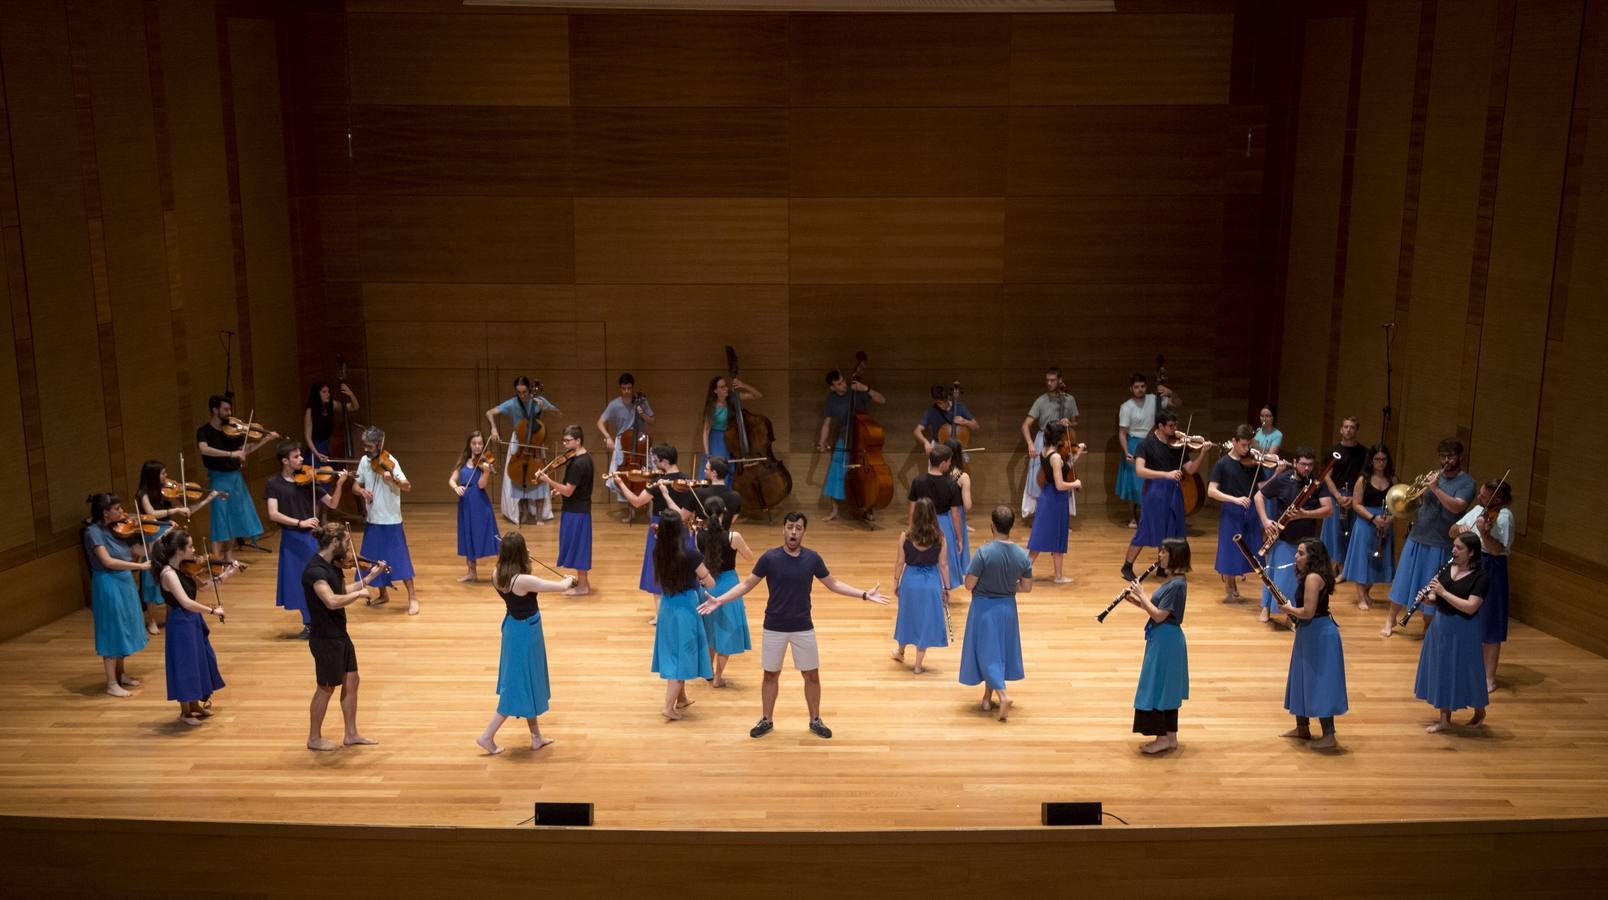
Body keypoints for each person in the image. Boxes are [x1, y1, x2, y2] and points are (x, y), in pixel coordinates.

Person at [699, 512, 890, 739]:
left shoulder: (812, 559)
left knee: (812, 675)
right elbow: (747, 584)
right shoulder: (769, 558)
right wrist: (720, 600)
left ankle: (815, 720)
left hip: (803, 627)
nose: (793, 532)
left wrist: (865, 594)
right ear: (783, 529)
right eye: (790, 527)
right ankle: (766, 719)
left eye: (798, 528)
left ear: (803, 532)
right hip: (774, 627)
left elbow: (834, 584)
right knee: (770, 675)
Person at [476, 532, 575, 755]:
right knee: (516, 686)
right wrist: (570, 579)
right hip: (527, 632)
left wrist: (523, 561)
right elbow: (559, 587)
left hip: (513, 628)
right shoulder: (523, 580)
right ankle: (487, 736)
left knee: (527, 681)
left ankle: (536, 736)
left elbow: (520, 575)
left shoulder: (496, 574)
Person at [303, 522, 386, 751]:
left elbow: (342, 591)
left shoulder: (332, 566)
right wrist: (360, 594)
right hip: (325, 638)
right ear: (335, 542)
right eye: (347, 542)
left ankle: (351, 734)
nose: (350, 547)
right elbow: (331, 601)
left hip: (340, 634)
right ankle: (314, 738)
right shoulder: (315, 571)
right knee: (326, 687)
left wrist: (369, 578)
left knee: (352, 681)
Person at [1384, 438, 1476, 637]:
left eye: (1450, 456)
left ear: (1460, 457)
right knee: (1403, 580)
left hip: (1441, 542)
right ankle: (1390, 620)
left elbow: (1456, 506)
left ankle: (1428, 629)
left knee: (1431, 586)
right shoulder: (1435, 475)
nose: (1446, 460)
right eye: (1442, 456)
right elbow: (1417, 502)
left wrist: (1435, 488)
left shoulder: (1467, 482)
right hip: (1418, 536)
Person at [266, 442, 350, 636]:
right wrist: (299, 522)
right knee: (296, 580)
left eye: (300, 456)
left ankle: (317, 620)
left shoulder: (311, 481)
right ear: (285, 461)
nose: (302, 459)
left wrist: (339, 484)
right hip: (291, 538)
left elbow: (333, 503)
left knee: (316, 578)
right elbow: (273, 514)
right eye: (296, 457)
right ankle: (309, 622)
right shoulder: (273, 484)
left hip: (311, 538)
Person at [959, 506, 1034, 722]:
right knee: (997, 653)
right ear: (1011, 526)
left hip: (984, 609)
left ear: (992, 526)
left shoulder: (983, 553)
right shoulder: (1022, 555)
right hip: (1008, 609)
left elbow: (968, 584)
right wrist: (1008, 588)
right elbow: (1027, 587)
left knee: (986, 653)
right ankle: (986, 698)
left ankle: (1002, 695)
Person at [150, 528, 231, 725]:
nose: (194, 550)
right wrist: (212, 611)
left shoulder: (183, 568)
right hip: (181, 624)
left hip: (192, 621)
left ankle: (194, 705)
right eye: (190, 546)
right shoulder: (168, 574)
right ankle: (185, 712)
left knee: (198, 661)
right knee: (186, 665)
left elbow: (202, 586)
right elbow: (185, 602)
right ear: (179, 550)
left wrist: (225, 575)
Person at [1413, 532, 1490, 732]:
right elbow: (1435, 598)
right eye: (1453, 546)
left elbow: (1471, 607)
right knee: (1443, 671)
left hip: (1464, 629)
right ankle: (1445, 720)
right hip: (1441, 627)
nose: (1454, 551)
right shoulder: (1447, 568)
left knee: (1468, 670)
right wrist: (1427, 598)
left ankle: (1479, 711)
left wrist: (1443, 593)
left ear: (1472, 552)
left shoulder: (1481, 577)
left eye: (1459, 548)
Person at [1121, 411, 1211, 580]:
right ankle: (1127, 566)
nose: (1174, 429)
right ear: (1160, 426)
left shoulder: (1177, 446)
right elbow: (1140, 470)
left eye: (1175, 425)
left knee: (1170, 529)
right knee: (1147, 529)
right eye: (1170, 426)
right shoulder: (1146, 444)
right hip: (1154, 491)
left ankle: (1163, 566)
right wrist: (1166, 474)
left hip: (1173, 492)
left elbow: (1190, 469)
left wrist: (1202, 454)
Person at [1278, 539, 1348, 751]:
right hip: (1309, 633)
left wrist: (1289, 609)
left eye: (1300, 553)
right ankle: (1302, 728)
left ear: (1312, 557)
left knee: (1321, 682)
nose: (1295, 556)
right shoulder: (1309, 576)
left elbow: (1308, 612)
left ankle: (1329, 736)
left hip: (1319, 635)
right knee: (1301, 676)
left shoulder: (1312, 578)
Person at [134, 460, 218, 633]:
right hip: (152, 532)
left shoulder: (169, 492)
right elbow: (151, 513)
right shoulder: (143, 493)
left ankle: (169, 613)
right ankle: (151, 621)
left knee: (173, 574)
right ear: (153, 475)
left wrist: (208, 499)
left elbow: (187, 510)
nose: (166, 476)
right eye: (163, 473)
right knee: (151, 581)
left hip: (169, 533)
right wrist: (174, 512)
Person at [1125, 537, 1191, 754]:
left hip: (1166, 641)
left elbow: (1160, 615)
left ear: (1175, 556)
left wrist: (1142, 594)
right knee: (1165, 687)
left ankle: (1162, 738)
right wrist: (1136, 600)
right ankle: (1170, 737)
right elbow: (1157, 609)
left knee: (1158, 686)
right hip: (1165, 638)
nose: (1160, 556)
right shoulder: (1174, 582)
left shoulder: (1177, 584)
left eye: (1164, 552)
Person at [607, 443, 698, 601]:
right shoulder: (687, 480)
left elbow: (636, 502)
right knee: (680, 565)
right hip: (681, 525)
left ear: (665, 461)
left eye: (656, 460)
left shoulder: (658, 482)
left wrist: (620, 483)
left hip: (660, 526)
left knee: (658, 565)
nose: (654, 464)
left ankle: (659, 615)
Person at [195, 394, 279, 564]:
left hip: (235, 477)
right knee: (220, 516)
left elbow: (245, 450)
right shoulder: (204, 431)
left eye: (229, 409)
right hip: (218, 478)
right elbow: (204, 449)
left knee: (234, 516)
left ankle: (229, 557)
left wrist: (264, 440)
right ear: (215, 410)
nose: (229, 412)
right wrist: (230, 454)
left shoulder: (233, 431)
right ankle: (217, 558)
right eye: (225, 409)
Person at [1254, 449, 1333, 625]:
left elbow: (1328, 510)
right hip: (1283, 537)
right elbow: (1258, 496)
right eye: (1303, 464)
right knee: (1274, 573)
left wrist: (1305, 514)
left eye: (1310, 465)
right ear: (1295, 462)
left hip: (1306, 541)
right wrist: (1266, 521)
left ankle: (1293, 615)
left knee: (1299, 580)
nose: (1307, 468)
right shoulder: (1283, 479)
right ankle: (1266, 607)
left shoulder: (1317, 483)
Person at [82, 493, 151, 697]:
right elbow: (108, 562)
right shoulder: (93, 532)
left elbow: (137, 549)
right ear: (105, 512)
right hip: (107, 583)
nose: (123, 512)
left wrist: (154, 533)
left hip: (124, 582)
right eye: (118, 509)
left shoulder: (119, 529)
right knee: (112, 628)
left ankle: (120, 675)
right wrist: (138, 566)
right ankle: (111, 683)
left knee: (124, 626)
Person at [650, 513, 717, 719]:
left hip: (667, 605)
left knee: (674, 651)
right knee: (680, 658)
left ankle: (682, 699)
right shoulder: (690, 555)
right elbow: (710, 582)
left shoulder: (658, 552)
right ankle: (668, 708)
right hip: (686, 609)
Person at [1453, 480, 1513, 693]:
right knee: (1470, 618)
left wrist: (1484, 532)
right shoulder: (1479, 509)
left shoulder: (1504, 517)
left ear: (1497, 499)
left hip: (1492, 567)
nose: (1479, 498)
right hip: (1473, 565)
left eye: (1484, 496)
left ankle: (1489, 677)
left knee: (1490, 621)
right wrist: (1458, 529)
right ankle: (1469, 668)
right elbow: (1453, 531)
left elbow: (1496, 550)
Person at [354, 426, 419, 614]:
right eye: (364, 445)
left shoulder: (391, 462)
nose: (365, 449)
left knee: (401, 559)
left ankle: (412, 598)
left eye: (368, 445)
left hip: (391, 520)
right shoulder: (364, 462)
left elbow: (407, 486)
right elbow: (355, 486)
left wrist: (393, 481)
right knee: (373, 560)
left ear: (378, 443)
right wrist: (362, 491)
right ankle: (383, 594)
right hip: (373, 519)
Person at [486, 375, 560, 524]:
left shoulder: (538, 400)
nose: (522, 395)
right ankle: (524, 511)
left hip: (536, 442)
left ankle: (539, 514)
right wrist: (493, 428)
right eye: (519, 392)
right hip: (518, 443)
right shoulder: (512, 403)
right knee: (518, 478)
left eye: (525, 392)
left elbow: (558, 413)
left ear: (529, 389)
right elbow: (489, 412)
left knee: (539, 478)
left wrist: (545, 407)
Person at [698, 496, 755, 687]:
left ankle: (708, 671)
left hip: (707, 584)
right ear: (724, 512)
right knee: (725, 631)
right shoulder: (733, 537)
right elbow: (750, 557)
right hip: (729, 585)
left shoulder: (699, 535)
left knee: (709, 630)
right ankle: (718, 677)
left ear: (705, 513)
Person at [817, 368, 885, 522]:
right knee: (836, 472)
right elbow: (827, 423)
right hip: (844, 437)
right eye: (838, 384)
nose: (843, 385)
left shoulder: (856, 389)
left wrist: (866, 389)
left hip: (862, 438)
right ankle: (835, 511)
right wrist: (822, 442)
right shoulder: (831, 399)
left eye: (842, 381)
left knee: (865, 473)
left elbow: (882, 400)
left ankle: (868, 508)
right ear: (832, 387)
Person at [891, 497, 950, 674]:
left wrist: (895, 581)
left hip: (910, 581)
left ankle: (901, 652)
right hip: (930, 582)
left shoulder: (905, 536)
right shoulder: (940, 537)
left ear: (915, 515)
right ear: (933, 515)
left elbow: (900, 562)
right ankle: (917, 665)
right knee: (925, 621)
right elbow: (943, 564)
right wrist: (946, 588)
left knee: (907, 616)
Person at [1115, 373, 1178, 528]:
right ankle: (1132, 517)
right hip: (1133, 442)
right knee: (1133, 483)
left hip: (1152, 441)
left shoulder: (1153, 399)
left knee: (1147, 482)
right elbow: (1122, 433)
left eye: (1142, 386)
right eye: (1136, 387)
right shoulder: (1126, 406)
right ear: (1131, 389)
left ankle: (1146, 516)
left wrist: (1170, 392)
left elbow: (1177, 403)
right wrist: (1126, 451)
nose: (1140, 389)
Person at [538, 425, 595, 595]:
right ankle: (583, 582)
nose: (564, 444)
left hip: (576, 511)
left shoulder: (579, 463)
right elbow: (573, 488)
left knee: (578, 547)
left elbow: (569, 491)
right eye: (564, 440)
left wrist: (549, 481)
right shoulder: (585, 458)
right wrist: (559, 489)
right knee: (577, 545)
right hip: (577, 508)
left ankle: (583, 587)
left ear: (578, 441)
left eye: (568, 440)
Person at [1025, 420, 1083, 584]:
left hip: (1049, 497)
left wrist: (1077, 454)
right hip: (1055, 499)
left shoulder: (1045, 450)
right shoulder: (1056, 456)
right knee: (1044, 538)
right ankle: (1027, 573)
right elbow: (1060, 484)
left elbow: (1065, 468)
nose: (1066, 439)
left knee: (1045, 538)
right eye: (1064, 436)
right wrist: (1075, 484)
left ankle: (1058, 576)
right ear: (1059, 437)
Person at [1341, 444, 1397, 609]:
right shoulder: (1363, 480)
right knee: (1362, 559)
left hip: (1385, 523)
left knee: (1378, 559)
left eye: (1384, 459)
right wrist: (1373, 518)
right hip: (1366, 522)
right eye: (1377, 459)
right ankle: (1360, 597)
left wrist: (1389, 520)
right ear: (1371, 461)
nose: (1381, 463)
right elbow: (1357, 505)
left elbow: (1398, 504)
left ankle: (1366, 591)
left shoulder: (1393, 480)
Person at [1207, 426, 1259, 602]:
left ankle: (1233, 579)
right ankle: (1230, 582)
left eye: (1249, 445)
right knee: (1230, 549)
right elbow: (1211, 491)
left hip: (1250, 509)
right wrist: (1234, 499)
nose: (1247, 449)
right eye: (1243, 445)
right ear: (1235, 441)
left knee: (1247, 548)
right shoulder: (1222, 463)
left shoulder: (1253, 463)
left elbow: (1263, 488)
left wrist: (1278, 473)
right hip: (1231, 509)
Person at [1020, 367, 1078, 519]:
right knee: (1041, 477)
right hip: (1044, 440)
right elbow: (1025, 425)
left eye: (1053, 380)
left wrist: (1069, 423)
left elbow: (1075, 422)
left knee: (1063, 474)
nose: (1049, 383)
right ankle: (1041, 515)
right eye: (1047, 380)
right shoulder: (1041, 400)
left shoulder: (1069, 400)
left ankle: (1060, 515)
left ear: (1060, 380)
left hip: (1063, 440)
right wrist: (1030, 444)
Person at [907, 443, 967, 590]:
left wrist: (910, 529)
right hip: (944, 524)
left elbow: (912, 509)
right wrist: (960, 538)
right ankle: (944, 588)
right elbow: (955, 515)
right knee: (944, 559)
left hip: (921, 523)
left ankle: (927, 586)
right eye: (949, 461)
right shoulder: (951, 485)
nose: (950, 464)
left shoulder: (917, 482)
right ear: (942, 463)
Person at [596, 373, 654, 516]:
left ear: (632, 387)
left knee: (649, 473)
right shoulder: (614, 404)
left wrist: (642, 414)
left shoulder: (641, 401)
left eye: (629, 388)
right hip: (623, 442)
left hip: (640, 442)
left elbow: (652, 420)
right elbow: (600, 422)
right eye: (624, 388)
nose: (627, 391)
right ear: (620, 388)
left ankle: (650, 504)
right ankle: (630, 510)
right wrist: (608, 437)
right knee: (625, 475)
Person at [448, 431, 499, 583]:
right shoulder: (463, 461)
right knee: (467, 533)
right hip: (465, 502)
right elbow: (452, 479)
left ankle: (501, 571)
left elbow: (481, 485)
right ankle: (471, 572)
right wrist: (455, 487)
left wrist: (487, 471)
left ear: (483, 445)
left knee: (490, 533)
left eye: (480, 444)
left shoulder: (485, 463)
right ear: (469, 445)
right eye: (474, 443)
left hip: (479, 501)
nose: (477, 447)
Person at [1320, 417, 1368, 574]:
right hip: (1336, 496)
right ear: (1341, 429)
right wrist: (1337, 496)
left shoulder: (1364, 452)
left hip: (1356, 497)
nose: (1349, 430)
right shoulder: (1333, 451)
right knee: (1335, 534)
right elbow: (1326, 476)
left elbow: (1365, 477)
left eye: (1352, 427)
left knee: (1351, 533)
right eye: (1346, 427)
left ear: (1356, 430)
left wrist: (1354, 497)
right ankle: (1337, 565)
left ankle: (1348, 568)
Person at [701, 374, 761, 486]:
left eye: (726, 386)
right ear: (715, 391)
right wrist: (707, 453)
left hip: (731, 440)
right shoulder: (712, 407)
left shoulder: (733, 400)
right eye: (722, 387)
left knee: (728, 473)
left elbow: (757, 395)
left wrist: (743, 385)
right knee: (715, 470)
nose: (726, 389)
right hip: (716, 440)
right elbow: (706, 431)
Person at [303, 380, 359, 463]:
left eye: (328, 391)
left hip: (328, 447)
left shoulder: (331, 405)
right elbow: (308, 437)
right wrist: (317, 454)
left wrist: (350, 393)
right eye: (324, 392)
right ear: (316, 394)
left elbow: (355, 407)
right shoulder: (310, 411)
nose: (328, 394)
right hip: (315, 448)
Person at [915, 384, 979, 453]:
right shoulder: (931, 411)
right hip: (939, 448)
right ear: (935, 401)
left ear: (948, 397)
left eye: (945, 402)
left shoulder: (960, 407)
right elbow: (917, 431)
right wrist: (925, 442)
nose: (943, 405)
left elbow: (976, 427)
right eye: (939, 403)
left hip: (958, 449)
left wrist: (965, 422)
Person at [696, 457, 744, 527]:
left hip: (703, 536)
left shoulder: (699, 492)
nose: (704, 471)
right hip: (724, 536)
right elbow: (731, 520)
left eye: (706, 469)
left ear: (714, 473)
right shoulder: (736, 496)